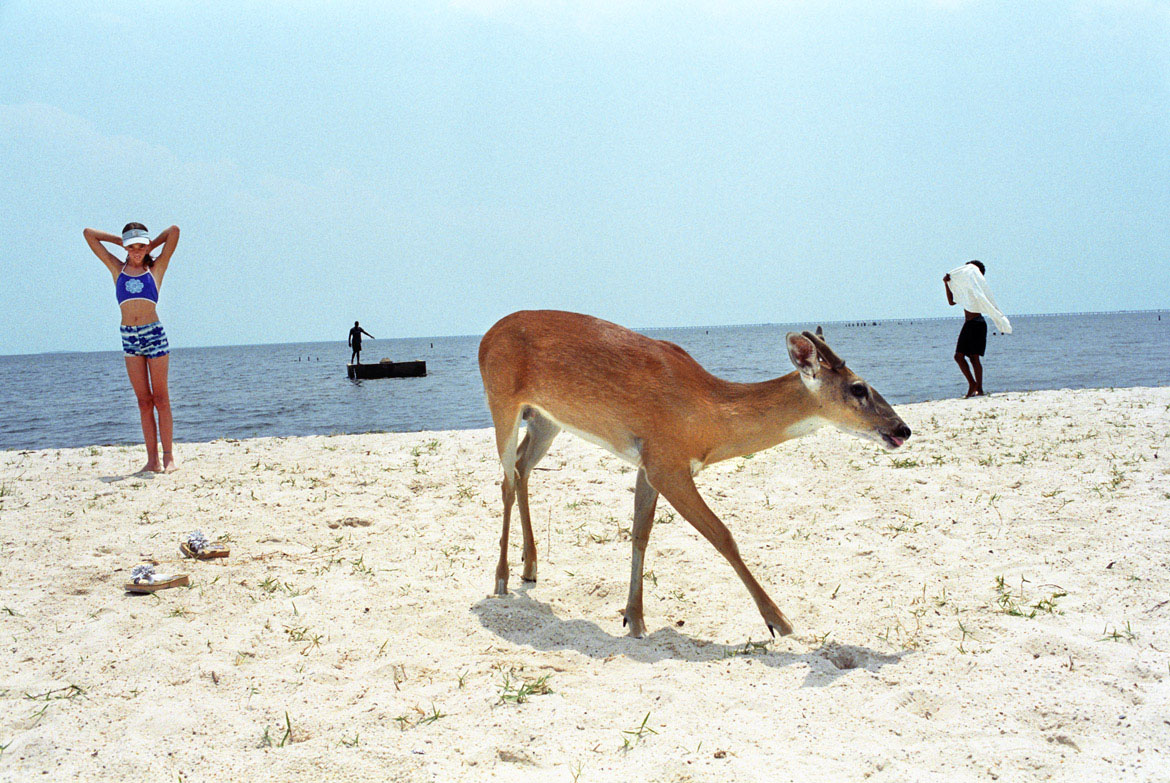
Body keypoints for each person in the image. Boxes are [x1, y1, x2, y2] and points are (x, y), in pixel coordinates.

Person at [84, 222, 181, 472]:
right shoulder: (117, 268)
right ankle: (152, 460)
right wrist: (121, 241)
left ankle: (168, 457)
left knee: (161, 398)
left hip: (153, 333)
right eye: (131, 247)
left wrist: (149, 245)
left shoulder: (155, 268)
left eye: (140, 247)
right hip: (129, 337)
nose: (136, 251)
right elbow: (89, 234)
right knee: (143, 402)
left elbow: (174, 231)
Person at [943, 260, 1011, 398]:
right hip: (970, 324)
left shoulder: (976, 289)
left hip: (976, 324)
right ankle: (974, 385)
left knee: (972, 357)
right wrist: (947, 284)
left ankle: (977, 387)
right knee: (961, 357)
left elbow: (985, 301)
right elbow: (951, 302)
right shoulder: (966, 288)